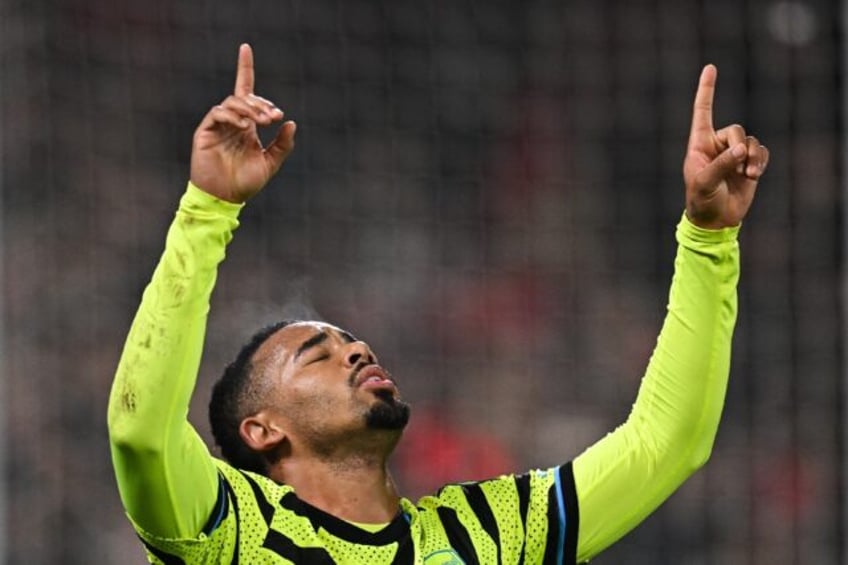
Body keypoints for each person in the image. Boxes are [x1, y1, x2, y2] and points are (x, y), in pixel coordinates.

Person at [107, 44, 768, 564]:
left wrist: (709, 237)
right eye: (318, 352)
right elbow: (141, 431)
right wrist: (208, 210)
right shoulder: (231, 532)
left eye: (350, 341)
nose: (359, 348)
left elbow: (667, 441)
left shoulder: (492, 532)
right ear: (262, 430)